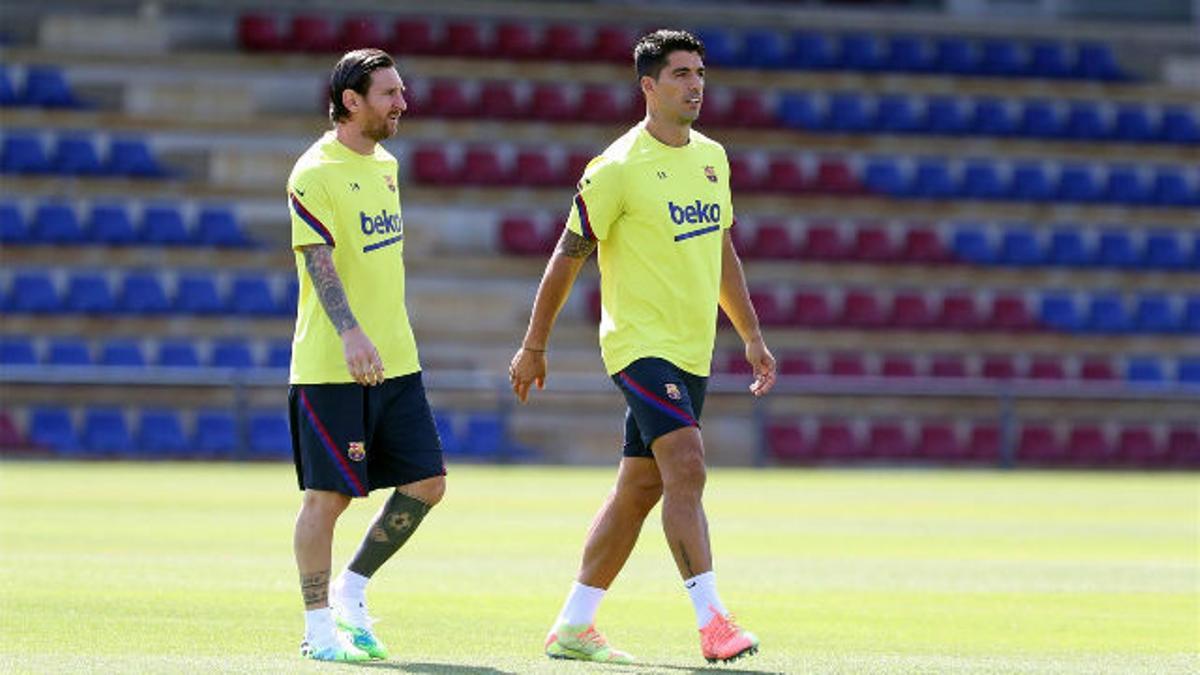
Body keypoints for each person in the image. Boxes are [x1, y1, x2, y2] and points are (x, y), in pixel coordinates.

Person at [508, 29, 777, 665]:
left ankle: (574, 624)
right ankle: (712, 621)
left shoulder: (713, 158)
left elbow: (720, 252)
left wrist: (751, 334)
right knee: (688, 463)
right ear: (648, 87)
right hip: (637, 347)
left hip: (692, 350)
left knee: (639, 489)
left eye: (701, 73)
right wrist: (534, 345)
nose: (696, 85)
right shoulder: (616, 168)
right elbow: (567, 257)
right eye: (681, 74)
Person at [286, 48, 446, 663]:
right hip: (332, 364)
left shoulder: (385, 164)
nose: (402, 103)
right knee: (329, 499)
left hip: (398, 360)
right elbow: (319, 261)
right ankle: (318, 628)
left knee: (427, 483)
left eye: (401, 91)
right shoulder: (313, 172)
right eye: (389, 94)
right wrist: (351, 333)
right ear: (351, 101)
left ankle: (353, 591)